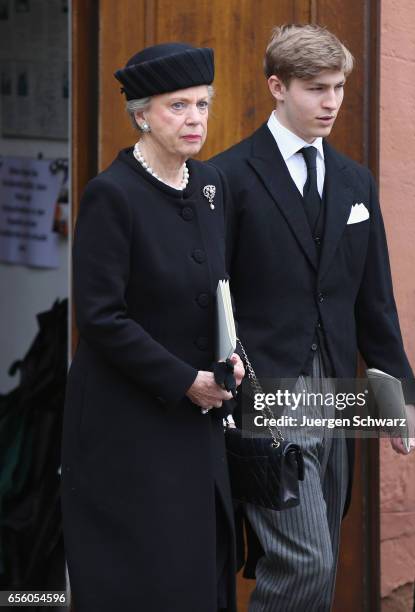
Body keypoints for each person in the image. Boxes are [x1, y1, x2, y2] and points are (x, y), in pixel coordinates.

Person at [211, 24, 415, 611]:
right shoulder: (227, 178)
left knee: (320, 555)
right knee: (307, 559)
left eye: (339, 88)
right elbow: (211, 298)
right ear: (277, 87)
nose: (332, 102)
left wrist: (398, 391)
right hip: (266, 392)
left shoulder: (356, 181)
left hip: (338, 390)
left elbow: (374, 298)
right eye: (316, 88)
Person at [61, 42, 244, 612]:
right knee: (149, 584)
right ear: (142, 114)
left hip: (200, 427)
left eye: (204, 105)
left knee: (202, 579)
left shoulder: (211, 186)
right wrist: (184, 379)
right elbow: (100, 317)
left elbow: (216, 292)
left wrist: (233, 357)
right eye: (178, 106)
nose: (196, 120)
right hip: (129, 429)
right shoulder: (111, 195)